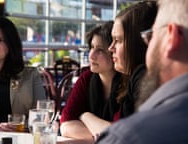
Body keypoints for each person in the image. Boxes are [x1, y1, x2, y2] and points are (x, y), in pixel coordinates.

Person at [96, 0, 188, 143]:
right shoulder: (119, 81)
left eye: (150, 36)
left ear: (171, 38)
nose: (110, 48)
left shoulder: (128, 137)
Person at [60, 21, 123, 140]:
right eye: (92, 47)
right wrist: (103, 138)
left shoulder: (127, 84)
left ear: (114, 52)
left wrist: (85, 116)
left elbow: (120, 134)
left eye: (100, 50)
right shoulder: (86, 78)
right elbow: (65, 125)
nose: (91, 55)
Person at [108, 0, 157, 118]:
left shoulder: (143, 78)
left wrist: (84, 115)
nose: (110, 48)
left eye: (118, 40)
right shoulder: (123, 80)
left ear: (138, 44)